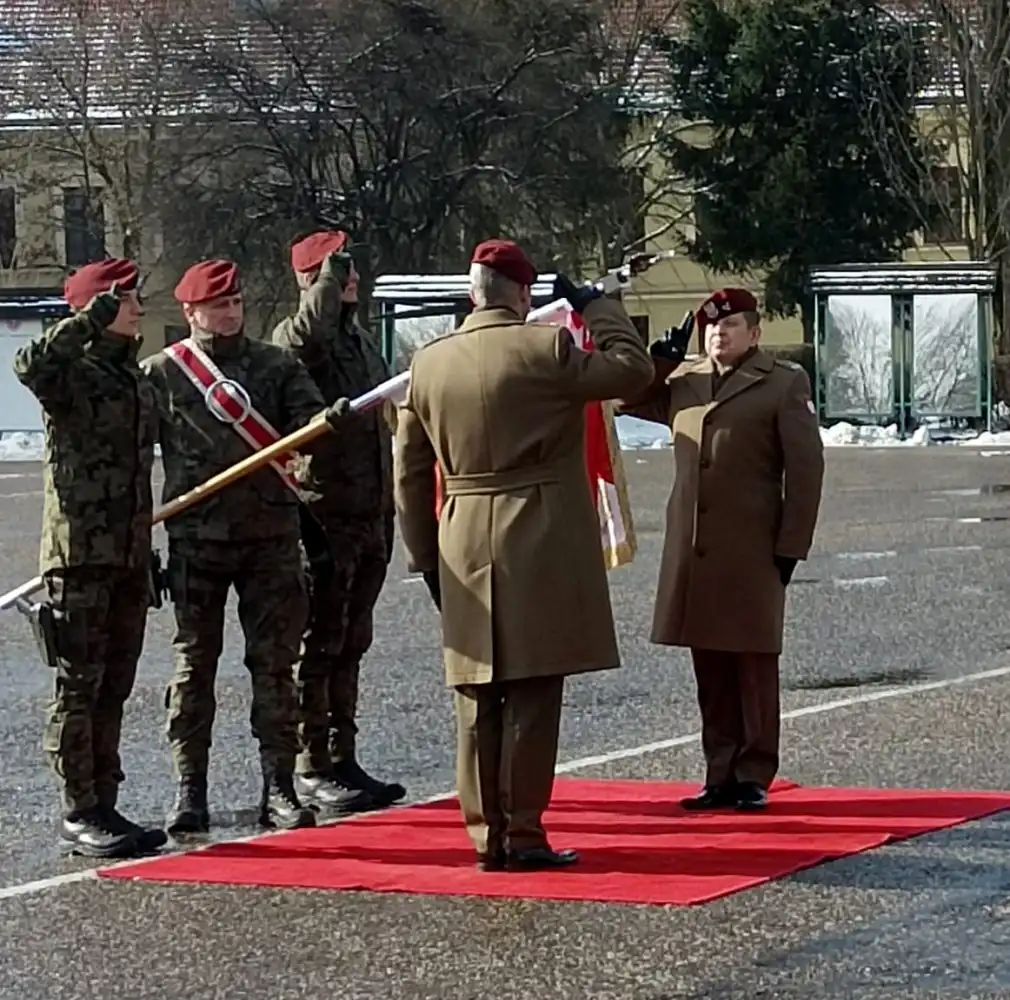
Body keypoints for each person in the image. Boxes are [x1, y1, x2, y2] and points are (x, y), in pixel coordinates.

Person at [394, 239, 654, 871]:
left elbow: (408, 470)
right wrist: (598, 307)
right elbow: (632, 370)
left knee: (476, 694)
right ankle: (524, 833)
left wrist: (427, 558)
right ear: (523, 293)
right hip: (536, 533)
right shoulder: (547, 348)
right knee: (533, 690)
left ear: (472, 292)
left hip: (461, 533)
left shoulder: (428, 363)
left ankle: (485, 836)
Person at [143, 258, 347, 835]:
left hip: (270, 538)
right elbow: (134, 449)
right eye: (218, 306)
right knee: (193, 668)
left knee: (275, 666)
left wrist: (319, 430)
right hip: (196, 541)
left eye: (235, 303)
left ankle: (279, 787)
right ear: (190, 312)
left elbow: (309, 424)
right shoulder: (164, 373)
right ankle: (190, 790)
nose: (230, 313)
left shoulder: (275, 365)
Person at [619, 287, 824, 812]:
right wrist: (661, 360)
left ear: (754, 333)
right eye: (711, 327)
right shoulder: (684, 382)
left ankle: (754, 772)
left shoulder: (781, 383)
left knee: (752, 662)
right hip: (695, 547)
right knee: (709, 665)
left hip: (753, 545)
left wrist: (791, 545)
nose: (718, 333)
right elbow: (630, 398)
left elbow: (804, 470)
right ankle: (718, 772)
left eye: (730, 325)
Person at [12, 258, 166, 858]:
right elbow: (28, 364)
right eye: (125, 301)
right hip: (78, 556)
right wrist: (89, 317)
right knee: (79, 684)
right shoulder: (69, 372)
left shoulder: (134, 378)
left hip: (127, 555)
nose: (137, 309)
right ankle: (79, 808)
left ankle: (106, 800)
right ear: (98, 307)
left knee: (115, 686)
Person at [272, 230, 404, 813]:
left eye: (349, 267)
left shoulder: (356, 340)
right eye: (335, 269)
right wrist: (325, 284)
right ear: (310, 281)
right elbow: (306, 336)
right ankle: (311, 765)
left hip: (369, 509)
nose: (351, 277)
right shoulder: (300, 336)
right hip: (323, 513)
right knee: (319, 641)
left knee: (353, 639)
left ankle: (343, 757)